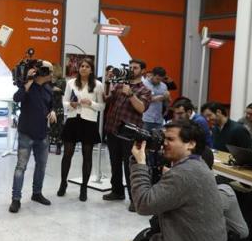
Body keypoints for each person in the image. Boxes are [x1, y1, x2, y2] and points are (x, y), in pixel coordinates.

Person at [124, 119, 228, 241]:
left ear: (190, 144)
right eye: (163, 138)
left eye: (170, 139)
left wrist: (140, 164)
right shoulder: (198, 165)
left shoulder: (184, 174)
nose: (163, 143)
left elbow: (143, 204)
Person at [103, 59, 152, 212]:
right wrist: (107, 82)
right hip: (113, 130)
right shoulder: (119, 85)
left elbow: (142, 108)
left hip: (129, 134)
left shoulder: (144, 90)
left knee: (129, 166)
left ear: (143, 70)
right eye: (130, 67)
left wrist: (130, 94)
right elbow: (106, 99)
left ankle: (134, 198)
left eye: (135, 68)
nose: (131, 70)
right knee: (114, 163)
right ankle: (117, 191)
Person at [9, 61, 57, 213]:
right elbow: (17, 98)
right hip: (26, 133)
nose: (50, 74)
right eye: (48, 71)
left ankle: (37, 193)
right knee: (21, 167)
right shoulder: (27, 85)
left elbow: (51, 104)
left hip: (42, 133)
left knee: (41, 166)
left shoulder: (48, 89)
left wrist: (53, 111)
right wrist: (27, 82)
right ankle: (16, 199)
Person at [57, 58, 104, 201]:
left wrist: (91, 103)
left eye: (87, 66)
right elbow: (64, 101)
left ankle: (84, 187)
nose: (83, 68)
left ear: (91, 69)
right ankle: (63, 182)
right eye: (81, 66)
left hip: (89, 121)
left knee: (87, 155)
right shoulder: (71, 83)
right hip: (72, 119)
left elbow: (102, 106)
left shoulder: (98, 85)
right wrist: (70, 104)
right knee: (68, 154)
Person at [142, 67, 169, 132]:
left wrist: (167, 109)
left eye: (161, 79)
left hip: (159, 119)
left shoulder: (164, 86)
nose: (159, 81)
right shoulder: (144, 84)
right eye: (157, 79)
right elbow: (143, 99)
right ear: (152, 75)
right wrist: (161, 97)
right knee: (142, 140)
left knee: (158, 140)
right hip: (145, 118)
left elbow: (166, 100)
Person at [49, 63, 66, 155]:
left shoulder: (62, 80)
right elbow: (51, 88)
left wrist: (52, 87)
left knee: (59, 126)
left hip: (58, 106)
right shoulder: (49, 79)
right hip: (49, 105)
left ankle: (58, 146)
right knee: (50, 126)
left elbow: (60, 90)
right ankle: (48, 145)